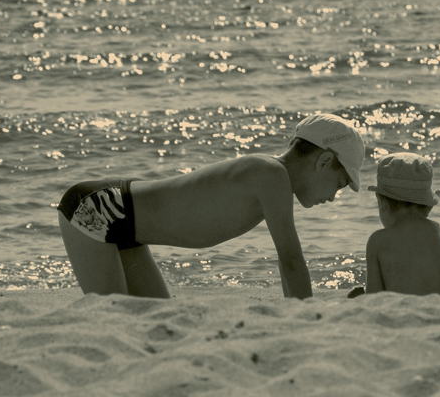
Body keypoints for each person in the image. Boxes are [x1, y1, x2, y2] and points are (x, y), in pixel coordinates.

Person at [57, 113, 365, 299]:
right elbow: (291, 261)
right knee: (115, 318)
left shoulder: (273, 179)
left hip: (128, 227)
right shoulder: (270, 174)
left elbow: (289, 266)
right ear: (324, 161)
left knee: (156, 320)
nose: (333, 197)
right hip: (100, 209)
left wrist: (296, 312)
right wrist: (306, 321)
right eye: (339, 185)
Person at [348, 152, 440, 299]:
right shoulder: (438, 231)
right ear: (428, 207)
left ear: (381, 202)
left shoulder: (377, 241)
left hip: (401, 311)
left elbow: (374, 297)